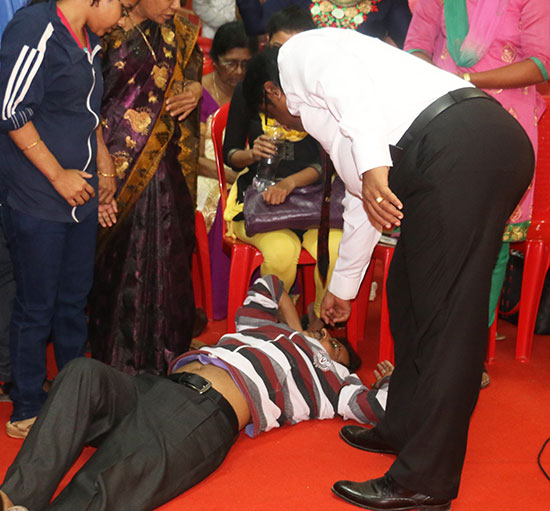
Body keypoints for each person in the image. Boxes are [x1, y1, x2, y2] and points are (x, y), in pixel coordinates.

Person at [242, 28, 535, 510]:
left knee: (446, 316)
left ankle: (426, 479)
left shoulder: (300, 53)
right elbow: (364, 196)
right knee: (406, 292)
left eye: (270, 112)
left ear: (271, 91)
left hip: (461, 146)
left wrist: (376, 166)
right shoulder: (338, 107)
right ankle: (402, 424)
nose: (284, 122)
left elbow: (350, 99)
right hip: (462, 150)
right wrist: (342, 288)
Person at [0, 274, 388, 511]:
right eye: (321, 331)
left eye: (333, 344)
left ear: (341, 364)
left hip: (201, 411)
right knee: (83, 373)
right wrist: (296, 328)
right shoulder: (262, 327)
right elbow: (270, 283)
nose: (322, 336)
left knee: (111, 480)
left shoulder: (332, 379)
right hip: (153, 387)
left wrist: (389, 378)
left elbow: (375, 409)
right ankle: (15, 497)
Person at [0, 0, 135, 439]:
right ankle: (26, 403)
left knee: (74, 301)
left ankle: (75, 397)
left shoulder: (92, 40)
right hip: (38, 193)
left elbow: (88, 117)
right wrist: (57, 175)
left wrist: (105, 171)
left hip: (81, 193)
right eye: (123, 4)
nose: (124, 14)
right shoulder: (35, 28)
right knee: (36, 305)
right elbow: (11, 110)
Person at [404, 0, 550, 379]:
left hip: (505, 124)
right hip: (443, 116)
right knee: (436, 232)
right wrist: (436, 80)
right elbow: (416, 46)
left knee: (492, 244)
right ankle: (429, 344)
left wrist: (469, 82)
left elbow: (542, 64)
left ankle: (467, 354)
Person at [87, 0, 203, 376]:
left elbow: (190, 71)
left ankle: (169, 351)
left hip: (164, 165)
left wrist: (195, 89)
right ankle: (117, 359)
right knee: (120, 263)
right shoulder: (104, 30)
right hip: (112, 172)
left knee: (169, 255)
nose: (174, 6)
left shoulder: (180, 33)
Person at [223, 9, 341, 331]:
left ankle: (318, 327)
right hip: (260, 202)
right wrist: (251, 153)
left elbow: (328, 161)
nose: (284, 58)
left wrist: (289, 182)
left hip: (313, 201)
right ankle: (275, 330)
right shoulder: (251, 90)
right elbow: (228, 154)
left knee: (336, 247)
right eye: (278, 48)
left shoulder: (317, 94)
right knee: (282, 251)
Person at [236, 0, 412, 48]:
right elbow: (257, 25)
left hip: (363, 90)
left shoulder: (388, 2)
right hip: (304, 91)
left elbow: (412, 45)